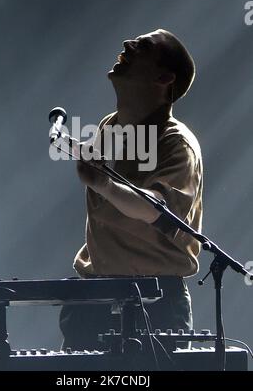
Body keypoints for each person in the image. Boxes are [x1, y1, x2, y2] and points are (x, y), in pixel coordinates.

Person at [59, 29, 203, 352]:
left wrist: (101, 183)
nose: (127, 44)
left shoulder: (177, 145)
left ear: (164, 77)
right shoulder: (109, 127)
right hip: (94, 300)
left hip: (155, 304)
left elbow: (157, 210)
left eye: (144, 46)